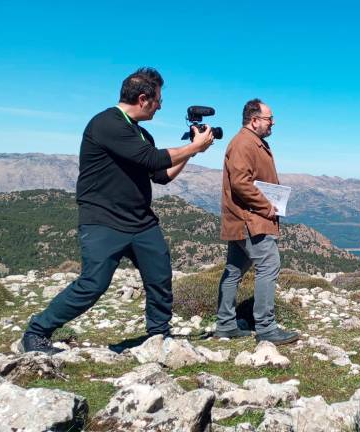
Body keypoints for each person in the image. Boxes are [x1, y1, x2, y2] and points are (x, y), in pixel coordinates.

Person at [22, 67, 215, 354]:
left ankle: (158, 337)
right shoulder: (106, 123)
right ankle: (37, 332)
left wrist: (192, 149)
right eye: (158, 99)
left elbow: (160, 174)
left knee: (159, 277)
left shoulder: (141, 133)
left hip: (140, 221)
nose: (161, 105)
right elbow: (151, 158)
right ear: (143, 98)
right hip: (103, 220)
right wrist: (194, 148)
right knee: (93, 284)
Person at [215, 98, 299, 345]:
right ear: (254, 120)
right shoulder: (243, 143)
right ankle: (266, 327)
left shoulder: (252, 142)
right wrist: (267, 206)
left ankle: (226, 324)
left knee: (234, 270)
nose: (273, 123)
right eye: (269, 118)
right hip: (250, 219)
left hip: (243, 219)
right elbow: (241, 183)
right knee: (269, 264)